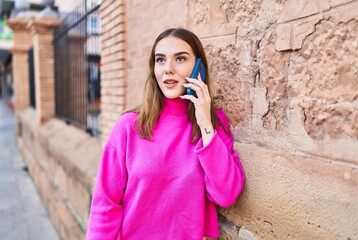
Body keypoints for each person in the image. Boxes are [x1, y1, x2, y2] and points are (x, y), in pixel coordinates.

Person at [86, 28, 245, 240]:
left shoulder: (213, 124)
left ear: (199, 68)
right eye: (160, 60)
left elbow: (226, 195)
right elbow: (105, 202)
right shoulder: (130, 126)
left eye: (180, 59)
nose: (168, 69)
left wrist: (205, 124)